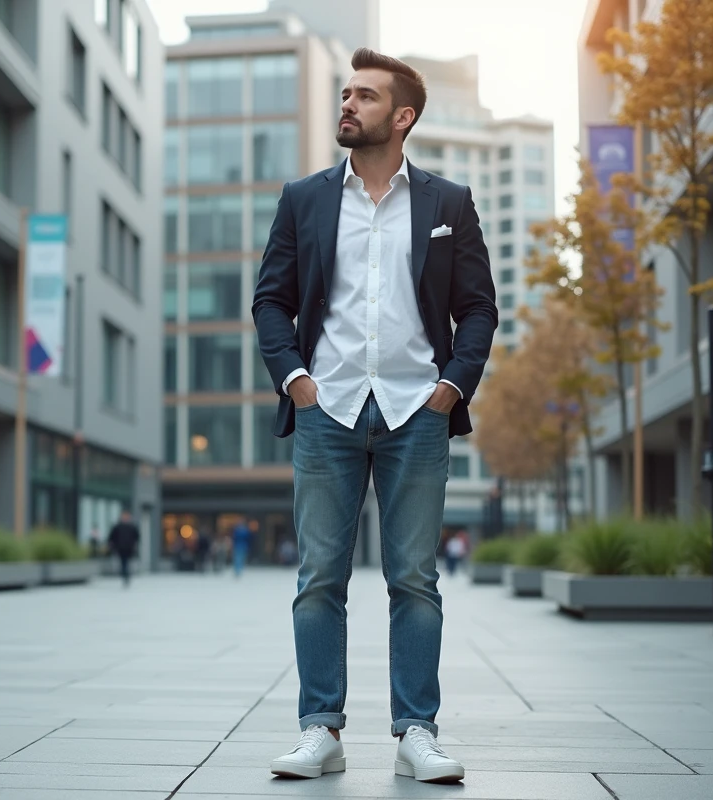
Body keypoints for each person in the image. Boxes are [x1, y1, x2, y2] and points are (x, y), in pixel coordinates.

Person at [253, 48, 496, 784]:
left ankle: (415, 730)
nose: (347, 104)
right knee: (319, 575)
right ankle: (320, 729)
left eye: (364, 95)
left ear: (402, 117)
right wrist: (295, 379)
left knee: (414, 580)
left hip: (415, 412)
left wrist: (452, 387)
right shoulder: (305, 198)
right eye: (345, 93)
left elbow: (478, 308)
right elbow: (272, 298)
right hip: (326, 407)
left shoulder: (449, 204)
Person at [106, 511, 139, 587]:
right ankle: (125, 575)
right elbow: (112, 537)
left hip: (129, 548)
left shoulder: (132, 527)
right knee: (124, 562)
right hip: (120, 548)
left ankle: (126, 575)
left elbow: (137, 537)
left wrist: (134, 545)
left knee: (126, 562)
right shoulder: (118, 526)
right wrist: (112, 545)